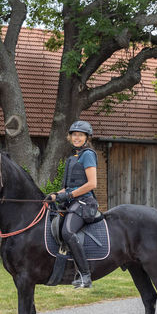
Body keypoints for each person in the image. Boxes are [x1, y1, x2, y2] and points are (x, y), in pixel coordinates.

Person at [48, 120, 100, 289]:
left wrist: (69, 195)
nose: (76, 138)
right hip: (73, 200)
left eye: (80, 135)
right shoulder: (72, 158)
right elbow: (68, 187)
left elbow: (92, 184)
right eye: (74, 135)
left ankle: (86, 276)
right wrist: (57, 195)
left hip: (85, 202)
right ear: (70, 137)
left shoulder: (88, 154)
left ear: (87, 137)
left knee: (68, 231)